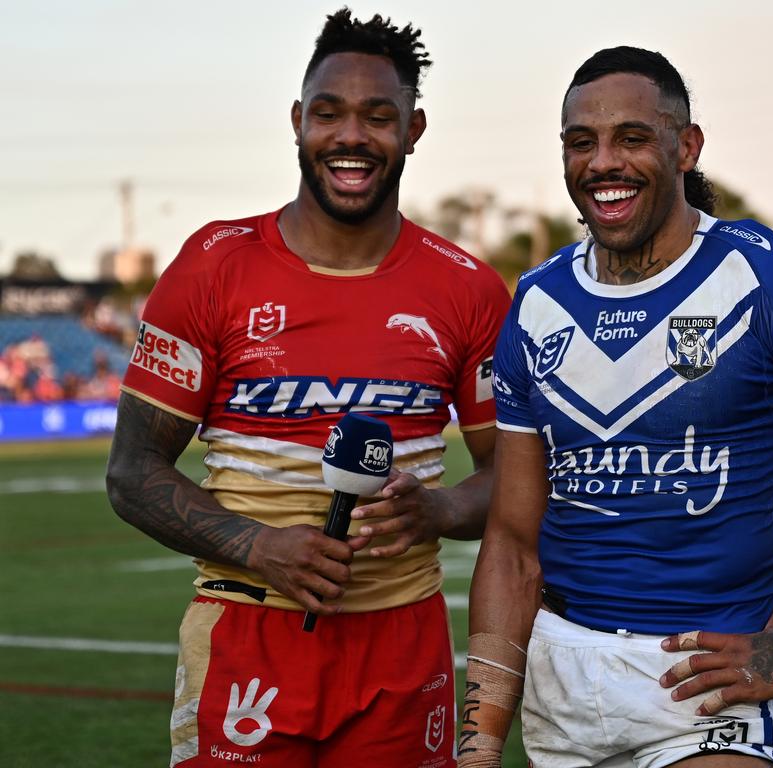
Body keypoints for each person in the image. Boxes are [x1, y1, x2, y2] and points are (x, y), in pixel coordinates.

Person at [457, 47, 773, 768]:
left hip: (704, 690)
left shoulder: (758, 277)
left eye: (632, 137)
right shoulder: (538, 301)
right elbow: (511, 545)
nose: (603, 161)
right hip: (559, 681)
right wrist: (477, 744)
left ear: (686, 146)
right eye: (582, 142)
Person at [106, 9, 510, 766]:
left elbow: (515, 475)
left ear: (413, 129)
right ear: (298, 121)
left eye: (377, 116)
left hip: (402, 642)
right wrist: (259, 546)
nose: (351, 137)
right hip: (247, 636)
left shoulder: (469, 290)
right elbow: (132, 472)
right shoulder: (213, 267)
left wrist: (443, 506)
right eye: (329, 113)